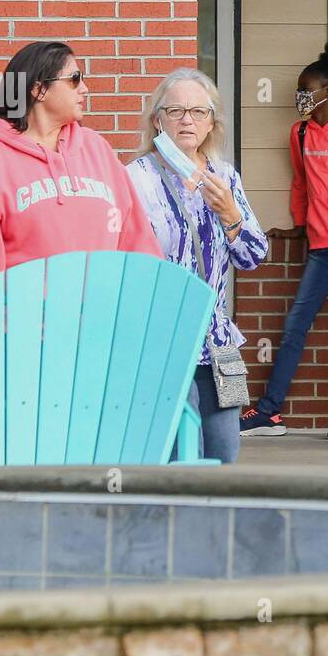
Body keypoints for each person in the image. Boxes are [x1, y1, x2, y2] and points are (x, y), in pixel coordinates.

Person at [0, 41, 163, 339]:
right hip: (28, 340)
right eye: (74, 79)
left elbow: (136, 239)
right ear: (39, 89)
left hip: (103, 335)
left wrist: (150, 304)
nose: (84, 88)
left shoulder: (96, 149)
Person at [239, 44, 328, 440]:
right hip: (320, 248)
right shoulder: (300, 132)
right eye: (299, 89)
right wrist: (300, 226)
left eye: (308, 88)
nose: (300, 96)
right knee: (295, 325)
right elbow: (302, 184)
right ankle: (269, 413)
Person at [125, 69, 267, 463]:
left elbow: (253, 256)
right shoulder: (135, 180)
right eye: (175, 111)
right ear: (157, 120)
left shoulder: (224, 178)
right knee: (178, 456)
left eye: (197, 112)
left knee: (223, 453)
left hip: (215, 341)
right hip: (161, 340)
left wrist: (230, 215)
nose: (187, 120)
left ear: (211, 123)